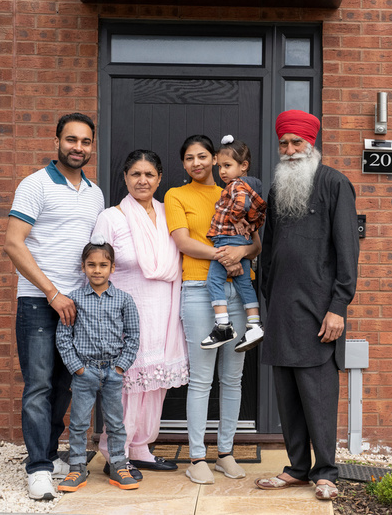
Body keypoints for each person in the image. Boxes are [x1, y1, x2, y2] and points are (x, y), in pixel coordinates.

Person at [255, 110, 359, 501]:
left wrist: (338, 306)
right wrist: (267, 294)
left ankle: (327, 471)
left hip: (319, 312)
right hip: (281, 308)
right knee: (287, 395)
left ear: (312, 144)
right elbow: (271, 246)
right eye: (284, 143)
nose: (290, 150)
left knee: (317, 396)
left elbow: (348, 252)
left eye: (297, 143)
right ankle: (298, 468)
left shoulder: (335, 184)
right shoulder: (279, 188)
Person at [4, 112, 104, 500]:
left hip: (76, 305)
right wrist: (51, 292)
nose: (78, 147)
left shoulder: (94, 193)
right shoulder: (36, 184)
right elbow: (13, 243)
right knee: (39, 385)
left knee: (66, 384)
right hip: (39, 302)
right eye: (71, 140)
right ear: (57, 141)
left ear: (92, 146)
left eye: (85, 141)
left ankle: (47, 453)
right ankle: (39, 469)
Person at [165, 135, 261, 485]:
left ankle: (226, 453)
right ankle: (196, 456)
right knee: (202, 379)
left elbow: (256, 243)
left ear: (218, 159)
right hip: (198, 290)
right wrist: (226, 255)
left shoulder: (237, 188)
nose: (197, 163)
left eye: (203, 156)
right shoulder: (177, 195)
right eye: (189, 158)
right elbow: (183, 241)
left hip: (239, 290)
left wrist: (241, 253)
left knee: (232, 378)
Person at [93, 150, 188, 480]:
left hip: (164, 313)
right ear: (125, 178)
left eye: (149, 174)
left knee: (153, 386)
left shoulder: (169, 213)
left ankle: (140, 448)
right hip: (125, 315)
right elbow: (96, 267)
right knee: (126, 386)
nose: (143, 180)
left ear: (160, 178)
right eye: (136, 174)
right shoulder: (112, 217)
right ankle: (115, 452)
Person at [55, 238, 140, 492]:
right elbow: (63, 336)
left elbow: (133, 336)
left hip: (113, 371)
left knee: (115, 422)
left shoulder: (124, 300)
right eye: (91, 265)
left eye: (103, 265)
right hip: (85, 371)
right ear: (83, 267)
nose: (97, 270)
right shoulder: (74, 300)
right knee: (80, 422)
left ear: (112, 268)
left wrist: (120, 367)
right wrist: (78, 368)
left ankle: (118, 466)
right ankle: (77, 468)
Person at [203, 135, 267, 353]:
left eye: (227, 166)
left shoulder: (235, 185)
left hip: (228, 239)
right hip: (241, 240)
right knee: (244, 285)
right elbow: (258, 210)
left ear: (243, 166)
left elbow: (241, 204)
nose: (222, 171)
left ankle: (223, 326)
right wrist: (249, 224)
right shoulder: (250, 186)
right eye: (220, 166)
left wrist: (237, 217)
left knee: (213, 281)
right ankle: (255, 324)